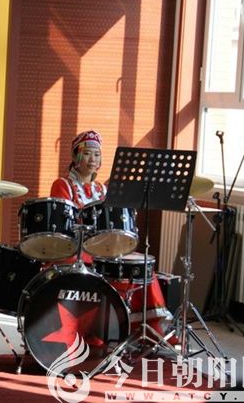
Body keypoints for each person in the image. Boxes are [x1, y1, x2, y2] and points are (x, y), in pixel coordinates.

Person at [50, 129, 174, 342]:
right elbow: (62, 225)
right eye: (87, 153)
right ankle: (96, 329)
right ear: (75, 156)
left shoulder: (102, 189)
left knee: (141, 265)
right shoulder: (63, 185)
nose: (93, 159)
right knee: (98, 267)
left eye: (97, 154)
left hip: (104, 247)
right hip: (76, 247)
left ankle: (148, 329)